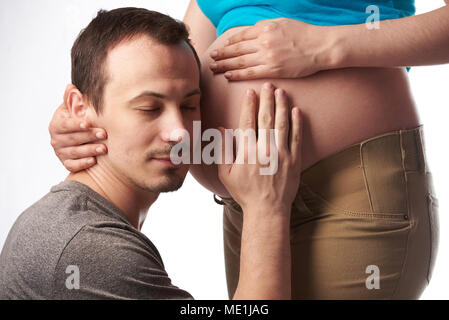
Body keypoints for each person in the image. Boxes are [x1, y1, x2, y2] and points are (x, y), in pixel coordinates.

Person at [49, 1, 447, 299]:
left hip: (351, 186)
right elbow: (177, 51)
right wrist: (89, 111)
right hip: (248, 197)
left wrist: (325, 46)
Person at [0, 8, 303, 300]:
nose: (180, 132)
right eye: (149, 108)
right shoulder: (88, 249)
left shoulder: (65, 222)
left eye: (188, 106)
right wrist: (267, 209)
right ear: (80, 107)